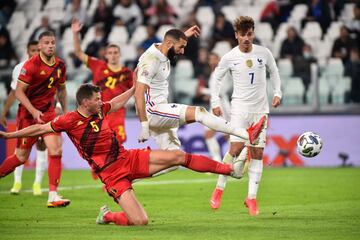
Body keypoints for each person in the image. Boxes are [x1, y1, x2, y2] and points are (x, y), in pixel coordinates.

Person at [0, 83, 246, 226]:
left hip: (128, 158)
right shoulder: (69, 120)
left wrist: (133, 87)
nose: (101, 101)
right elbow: (41, 128)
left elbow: (116, 103)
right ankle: (108, 216)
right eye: (97, 99)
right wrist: (11, 136)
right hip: (112, 176)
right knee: (141, 222)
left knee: (179, 156)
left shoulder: (100, 110)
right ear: (85, 102)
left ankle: (230, 170)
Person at [134, 26, 266, 177]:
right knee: (199, 112)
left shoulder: (163, 48)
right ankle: (247, 134)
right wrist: (144, 126)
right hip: (152, 111)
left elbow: (171, 40)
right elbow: (138, 94)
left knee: (174, 159)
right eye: (181, 47)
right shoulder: (151, 60)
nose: (182, 51)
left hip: (159, 109)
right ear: (170, 44)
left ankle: (131, 177)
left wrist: (184, 35)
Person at [209, 16, 282, 216]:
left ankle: (251, 198)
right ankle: (219, 190)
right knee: (235, 147)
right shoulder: (230, 57)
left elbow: (274, 72)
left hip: (260, 110)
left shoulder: (264, 53)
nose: (246, 38)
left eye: (249, 34)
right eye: (243, 34)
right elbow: (217, 78)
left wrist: (278, 93)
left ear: (253, 34)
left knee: (257, 153)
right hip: (240, 109)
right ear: (236, 35)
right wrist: (215, 102)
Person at [0, 31, 70, 208]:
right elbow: (18, 92)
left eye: (53, 42)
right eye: (46, 42)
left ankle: (53, 195)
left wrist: (67, 111)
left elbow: (61, 89)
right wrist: (33, 111)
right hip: (28, 115)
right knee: (21, 157)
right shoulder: (30, 66)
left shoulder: (60, 65)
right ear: (39, 46)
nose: (50, 45)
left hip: (48, 114)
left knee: (56, 150)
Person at [72, 18, 133, 144]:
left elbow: (137, 90)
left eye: (115, 52)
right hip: (99, 110)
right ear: (106, 55)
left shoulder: (127, 73)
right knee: (101, 143)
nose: (113, 55)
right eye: (110, 53)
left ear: (120, 54)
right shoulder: (98, 65)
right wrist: (75, 33)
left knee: (118, 141)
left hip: (117, 111)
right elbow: (78, 52)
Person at [0, 40, 48, 195]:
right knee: (21, 151)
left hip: (45, 112)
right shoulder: (20, 68)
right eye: (32, 50)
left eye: (37, 50)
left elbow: (57, 89)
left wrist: (59, 107)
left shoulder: (50, 66)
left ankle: (37, 185)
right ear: (28, 51)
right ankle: (17, 183)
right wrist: (4, 111)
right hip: (26, 114)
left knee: (43, 146)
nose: (35, 53)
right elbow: (15, 92)